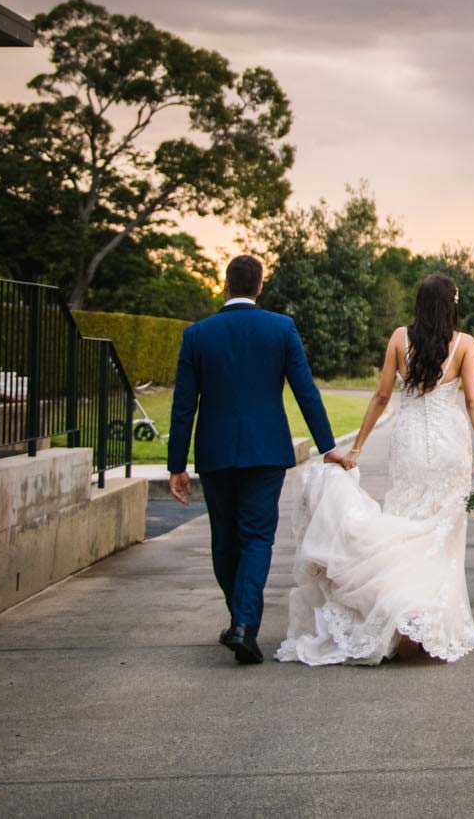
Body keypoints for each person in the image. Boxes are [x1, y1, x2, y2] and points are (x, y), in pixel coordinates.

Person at [276, 272, 474, 665]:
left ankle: (399, 620)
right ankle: (428, 624)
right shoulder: (465, 344)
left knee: (403, 528)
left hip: (410, 444)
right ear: (453, 304)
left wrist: (357, 447)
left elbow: (381, 396)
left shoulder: (400, 338)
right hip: (449, 448)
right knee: (441, 538)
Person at [166, 254, 350, 664]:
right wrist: (328, 447)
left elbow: (183, 406)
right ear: (260, 287)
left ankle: (241, 622)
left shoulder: (198, 335)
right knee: (256, 537)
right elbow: (306, 391)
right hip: (266, 452)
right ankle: (243, 624)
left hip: (215, 452)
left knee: (225, 539)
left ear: (225, 284)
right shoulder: (280, 328)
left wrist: (176, 464)